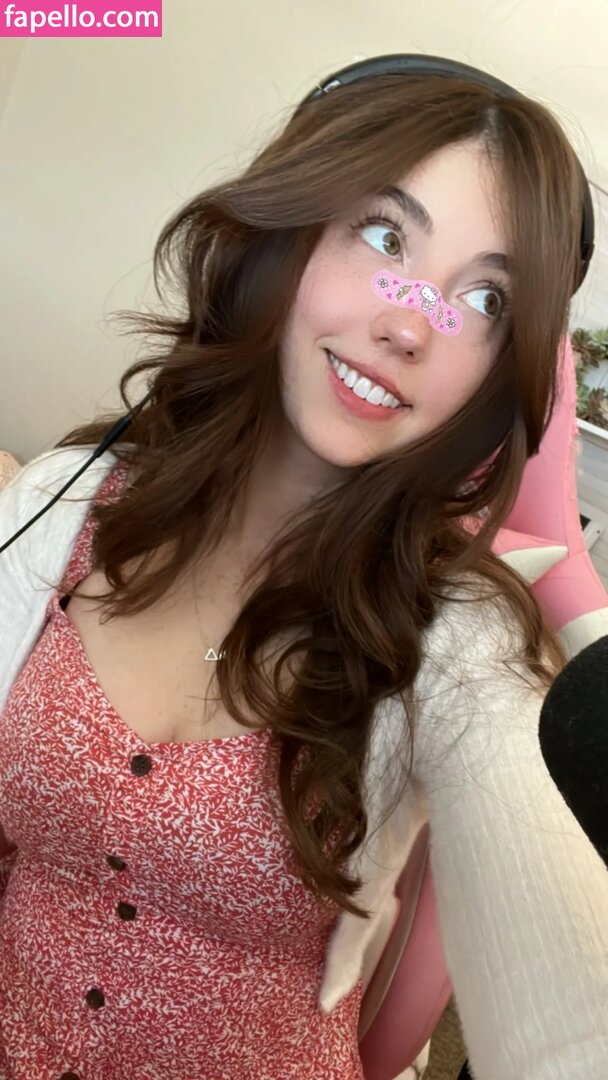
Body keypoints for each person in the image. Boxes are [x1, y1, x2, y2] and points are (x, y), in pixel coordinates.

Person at [0, 69, 607, 1080]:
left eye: (483, 298)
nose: (410, 324)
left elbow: (569, 1010)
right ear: (282, 232)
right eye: (384, 236)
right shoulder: (64, 501)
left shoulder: (460, 642)